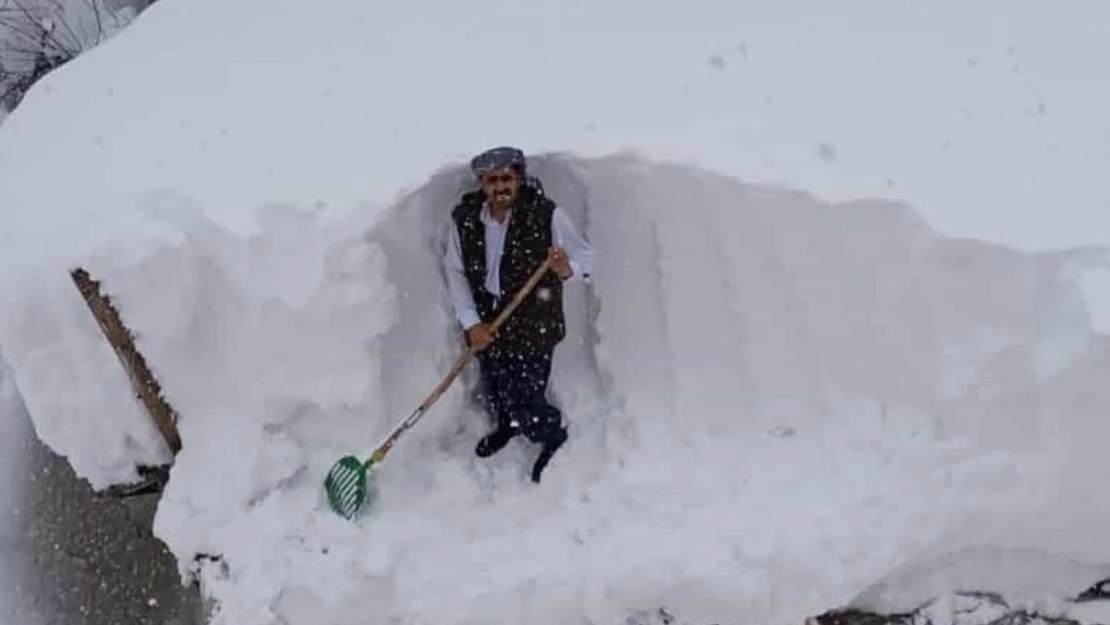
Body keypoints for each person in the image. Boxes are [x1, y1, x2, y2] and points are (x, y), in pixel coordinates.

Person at [443, 146, 594, 483]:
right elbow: (454, 270)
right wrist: (472, 323)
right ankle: (508, 426)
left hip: (533, 321)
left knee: (526, 392)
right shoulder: (465, 220)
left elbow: (587, 257)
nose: (500, 187)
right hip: (489, 320)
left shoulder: (545, 214)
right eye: (492, 180)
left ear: (519, 178)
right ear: (482, 183)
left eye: (507, 178)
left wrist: (566, 267)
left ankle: (548, 432)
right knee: (496, 385)